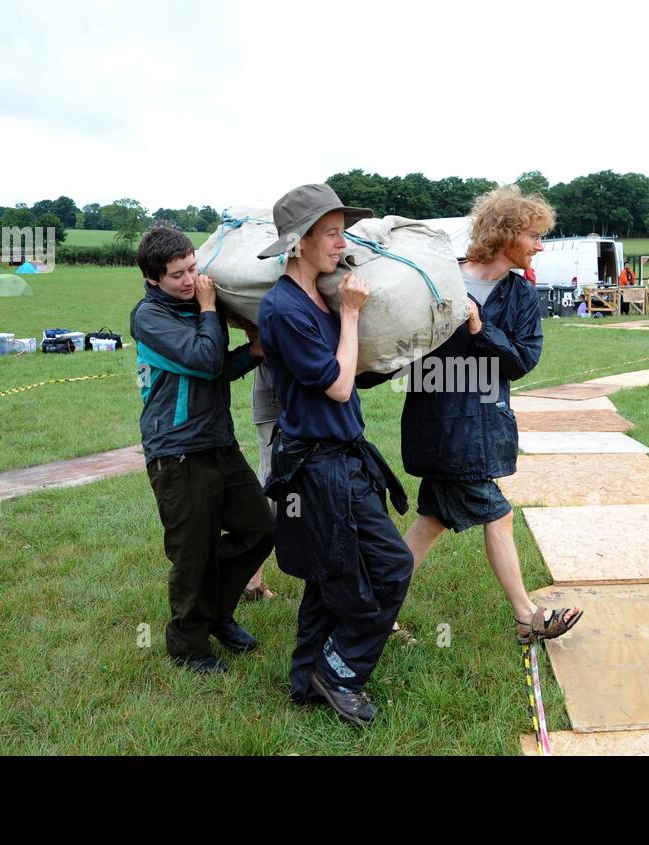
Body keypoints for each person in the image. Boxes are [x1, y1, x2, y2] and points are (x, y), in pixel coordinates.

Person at [375, 185, 583, 646]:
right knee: (499, 515)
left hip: (487, 427)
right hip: (441, 429)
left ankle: (374, 612)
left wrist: (480, 328)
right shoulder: (440, 280)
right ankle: (526, 616)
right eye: (533, 235)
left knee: (430, 525)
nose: (539, 245)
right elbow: (404, 348)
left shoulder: (522, 295)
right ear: (505, 234)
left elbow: (523, 361)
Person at [256, 183, 415, 727]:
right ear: (297, 243)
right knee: (391, 567)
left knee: (328, 575)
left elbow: (352, 377)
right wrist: (350, 316)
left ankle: (304, 682)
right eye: (329, 232)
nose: (339, 241)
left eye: (342, 230)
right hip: (319, 465)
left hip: (342, 454)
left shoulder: (315, 300)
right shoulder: (282, 309)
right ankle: (339, 670)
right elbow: (338, 388)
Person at [130, 227, 273, 675]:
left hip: (217, 442)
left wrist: (252, 352)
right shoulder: (149, 319)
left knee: (260, 528)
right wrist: (211, 308)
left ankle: (217, 613)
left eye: (193, 268)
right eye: (178, 275)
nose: (191, 280)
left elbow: (215, 370)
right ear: (153, 278)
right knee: (192, 551)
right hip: (175, 451)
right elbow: (207, 360)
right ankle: (187, 644)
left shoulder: (191, 305)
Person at [242, 362, 281, 601]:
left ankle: (250, 581)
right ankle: (248, 580)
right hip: (275, 399)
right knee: (271, 488)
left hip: (309, 398)